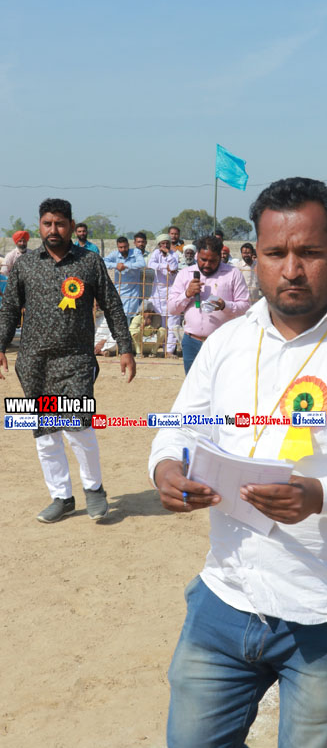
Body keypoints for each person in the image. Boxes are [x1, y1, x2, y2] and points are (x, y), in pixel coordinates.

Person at [149, 177, 327, 748]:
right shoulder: (226, 344)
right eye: (275, 253)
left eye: (309, 252)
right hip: (224, 598)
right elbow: (180, 428)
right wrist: (166, 470)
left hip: (325, 613)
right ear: (254, 257)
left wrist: (321, 495)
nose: (291, 270)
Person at [0, 198, 135, 523]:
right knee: (45, 431)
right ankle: (61, 496)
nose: (53, 229)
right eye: (47, 223)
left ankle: (94, 489)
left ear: (71, 226)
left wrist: (125, 346)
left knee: (78, 424)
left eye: (60, 224)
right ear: (39, 226)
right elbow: (9, 308)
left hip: (76, 360)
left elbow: (112, 305)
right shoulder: (26, 264)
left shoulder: (89, 262)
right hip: (33, 363)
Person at [168, 235, 250, 373]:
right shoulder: (185, 274)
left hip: (223, 343)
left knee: (221, 384)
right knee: (193, 384)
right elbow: (171, 308)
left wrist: (225, 306)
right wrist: (187, 294)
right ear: (197, 255)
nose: (207, 265)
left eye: (212, 261)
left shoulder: (233, 274)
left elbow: (245, 308)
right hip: (191, 343)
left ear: (220, 257)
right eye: (203, 260)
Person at [148, 234, 181, 356]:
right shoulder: (156, 253)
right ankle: (163, 348)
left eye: (167, 243)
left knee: (173, 321)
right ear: (159, 245)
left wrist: (168, 256)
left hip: (172, 290)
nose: (165, 245)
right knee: (162, 324)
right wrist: (163, 266)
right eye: (163, 243)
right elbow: (150, 264)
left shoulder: (174, 255)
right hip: (158, 292)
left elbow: (174, 267)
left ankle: (170, 350)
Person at [103, 236, 145, 323]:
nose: (123, 249)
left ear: (128, 245)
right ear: (117, 247)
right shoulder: (115, 254)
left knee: (131, 315)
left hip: (133, 290)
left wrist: (125, 266)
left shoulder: (136, 252)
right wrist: (116, 265)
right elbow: (103, 261)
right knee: (119, 314)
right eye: (120, 247)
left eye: (125, 247)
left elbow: (142, 264)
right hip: (120, 290)